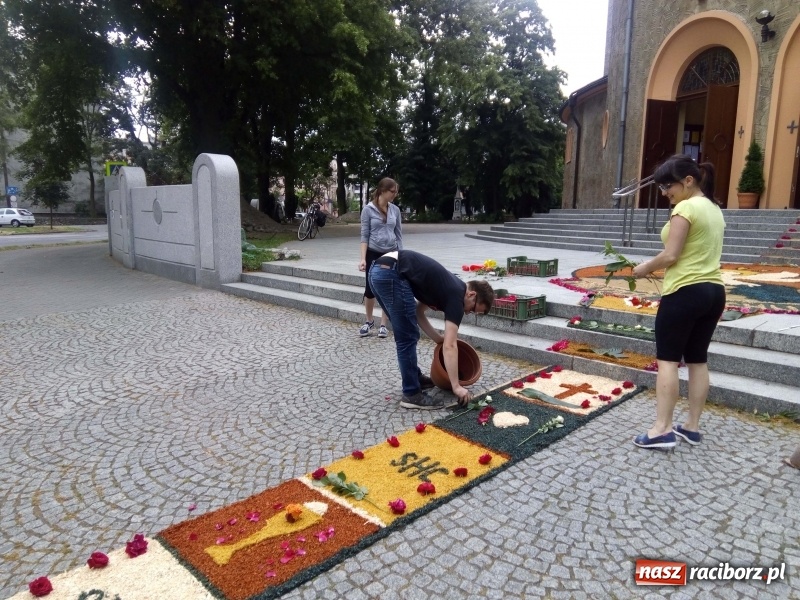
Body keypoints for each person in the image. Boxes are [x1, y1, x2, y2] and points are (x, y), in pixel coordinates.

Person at [631, 155, 726, 449]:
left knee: (668, 361)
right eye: (660, 187)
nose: (664, 193)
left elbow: (671, 255)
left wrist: (645, 267)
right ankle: (692, 427)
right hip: (714, 291)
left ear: (688, 181)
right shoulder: (714, 208)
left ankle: (662, 429)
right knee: (698, 360)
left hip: (685, 291)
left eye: (667, 186)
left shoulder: (685, 207)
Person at [368, 249, 495, 409]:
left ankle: (414, 377)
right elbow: (450, 346)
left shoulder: (448, 287)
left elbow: (417, 311)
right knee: (407, 336)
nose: (467, 312)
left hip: (379, 270)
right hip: (391, 273)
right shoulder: (457, 296)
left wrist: (437, 338)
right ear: (471, 295)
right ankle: (411, 393)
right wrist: (456, 386)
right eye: (472, 309)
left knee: (406, 332)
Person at [358, 178, 403, 338]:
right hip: (373, 252)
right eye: (393, 191)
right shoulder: (368, 210)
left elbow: (398, 235)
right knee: (370, 289)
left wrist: (401, 256)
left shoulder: (395, 210)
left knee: (387, 287)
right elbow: (364, 235)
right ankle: (369, 321)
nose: (395, 195)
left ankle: (384, 324)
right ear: (383, 190)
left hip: (390, 253)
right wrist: (363, 258)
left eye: (396, 191)